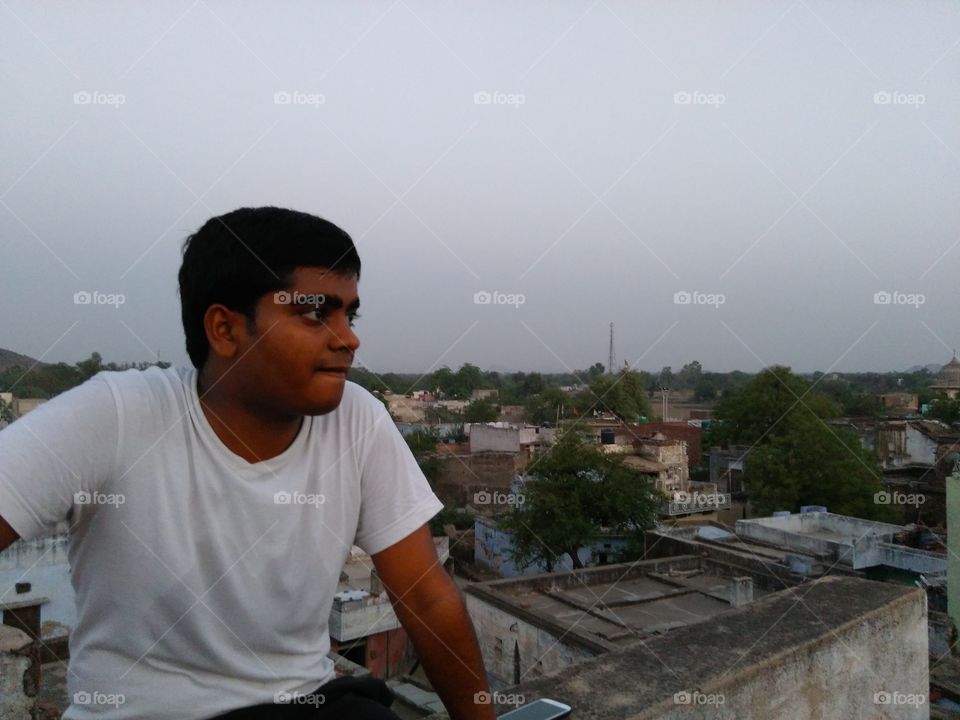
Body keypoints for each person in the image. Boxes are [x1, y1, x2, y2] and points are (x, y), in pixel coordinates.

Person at [0, 207, 496, 720]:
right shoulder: (119, 414)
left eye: (350, 314)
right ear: (225, 329)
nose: (348, 338)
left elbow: (426, 597)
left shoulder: (357, 420)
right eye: (314, 313)